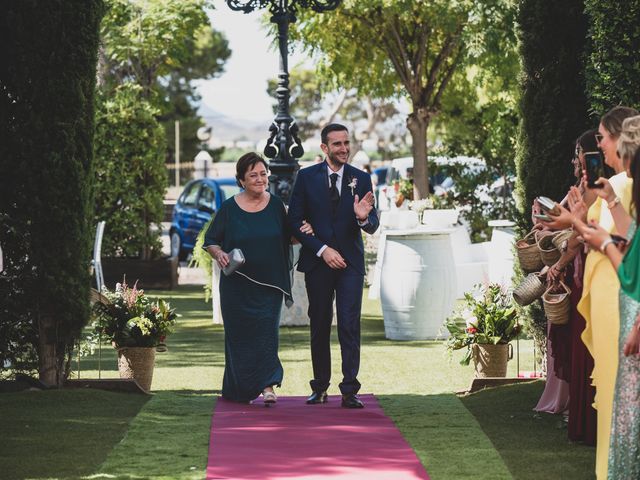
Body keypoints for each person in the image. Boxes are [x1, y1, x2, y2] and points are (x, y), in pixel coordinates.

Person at [546, 107, 638, 479]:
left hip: (621, 292)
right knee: (618, 397)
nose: (598, 145)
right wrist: (580, 220)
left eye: (601, 137)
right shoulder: (615, 187)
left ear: (620, 140)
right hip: (611, 292)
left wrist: (579, 225)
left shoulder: (623, 186)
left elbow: (623, 244)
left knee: (624, 397)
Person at [203, 152, 312, 405]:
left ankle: (268, 386)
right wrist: (219, 253)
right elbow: (211, 241)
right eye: (253, 175)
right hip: (236, 287)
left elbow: (291, 238)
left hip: (269, 286)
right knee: (239, 338)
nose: (260, 179)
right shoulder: (229, 208)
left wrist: (305, 230)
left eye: (263, 174)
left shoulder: (276, 206)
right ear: (241, 180)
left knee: (266, 336)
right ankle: (238, 389)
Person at [288, 123, 379, 409]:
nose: (343, 149)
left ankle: (350, 390)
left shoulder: (361, 178)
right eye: (337, 144)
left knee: (350, 325)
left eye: (346, 143)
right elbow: (294, 221)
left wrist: (363, 218)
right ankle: (320, 386)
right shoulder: (305, 177)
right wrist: (322, 249)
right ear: (324, 148)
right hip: (319, 263)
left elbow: (373, 225)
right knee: (319, 324)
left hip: (350, 263)